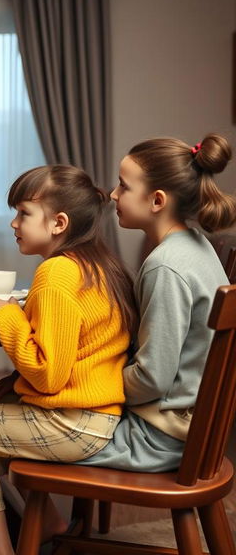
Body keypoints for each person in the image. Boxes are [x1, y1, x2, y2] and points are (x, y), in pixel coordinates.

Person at [0, 165, 137, 555]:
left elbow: (48, 375)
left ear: (58, 222)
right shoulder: (97, 262)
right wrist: (13, 378)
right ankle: (48, 521)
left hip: (77, 423)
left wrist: (8, 315)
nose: (13, 223)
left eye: (23, 213)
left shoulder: (56, 274)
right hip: (99, 413)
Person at [77, 133, 236, 473]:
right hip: (184, 430)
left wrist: (88, 383)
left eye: (123, 187)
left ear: (157, 201)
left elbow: (152, 379)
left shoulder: (166, 266)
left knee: (23, 425)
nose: (113, 194)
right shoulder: (196, 245)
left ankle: (45, 524)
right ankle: (52, 523)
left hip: (157, 439)